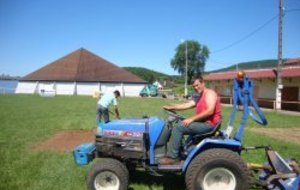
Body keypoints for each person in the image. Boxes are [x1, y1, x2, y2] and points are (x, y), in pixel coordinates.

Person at [159, 76, 221, 165]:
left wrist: (191, 118)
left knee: (178, 127)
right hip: (203, 122)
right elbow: (187, 105)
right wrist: (171, 107)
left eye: (197, 85)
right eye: (194, 86)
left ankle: (173, 157)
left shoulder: (210, 93)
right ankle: (178, 149)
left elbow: (210, 111)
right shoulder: (200, 96)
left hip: (209, 124)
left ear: (203, 83)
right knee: (178, 121)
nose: (196, 88)